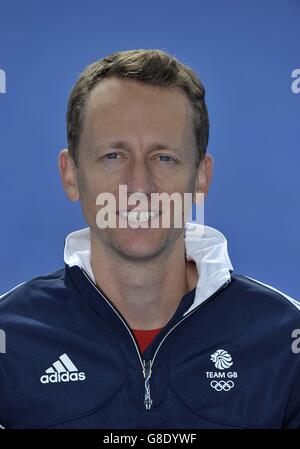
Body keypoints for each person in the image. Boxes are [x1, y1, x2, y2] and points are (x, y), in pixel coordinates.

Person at [0, 49, 300, 429]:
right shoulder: (8, 342)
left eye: (164, 158)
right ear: (71, 174)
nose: (139, 187)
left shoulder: (285, 343)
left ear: (201, 178)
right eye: (112, 156)